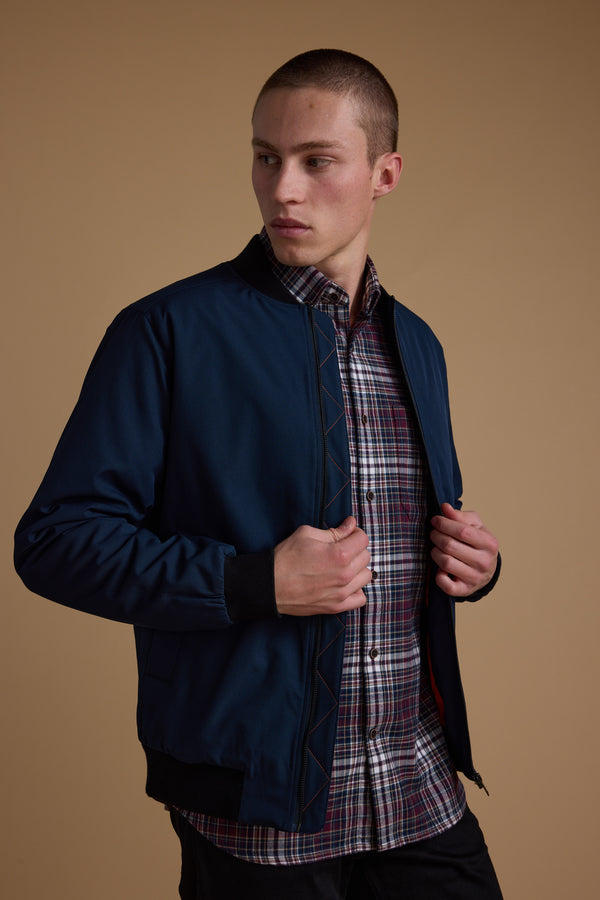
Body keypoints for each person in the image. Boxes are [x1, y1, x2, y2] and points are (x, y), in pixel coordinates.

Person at [14, 49, 503, 898]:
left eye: (318, 161)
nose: (283, 188)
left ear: (384, 173)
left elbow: (407, 543)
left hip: (417, 783)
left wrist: (475, 567)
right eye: (266, 157)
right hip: (261, 806)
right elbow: (55, 542)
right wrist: (253, 581)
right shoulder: (167, 330)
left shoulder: (416, 343)